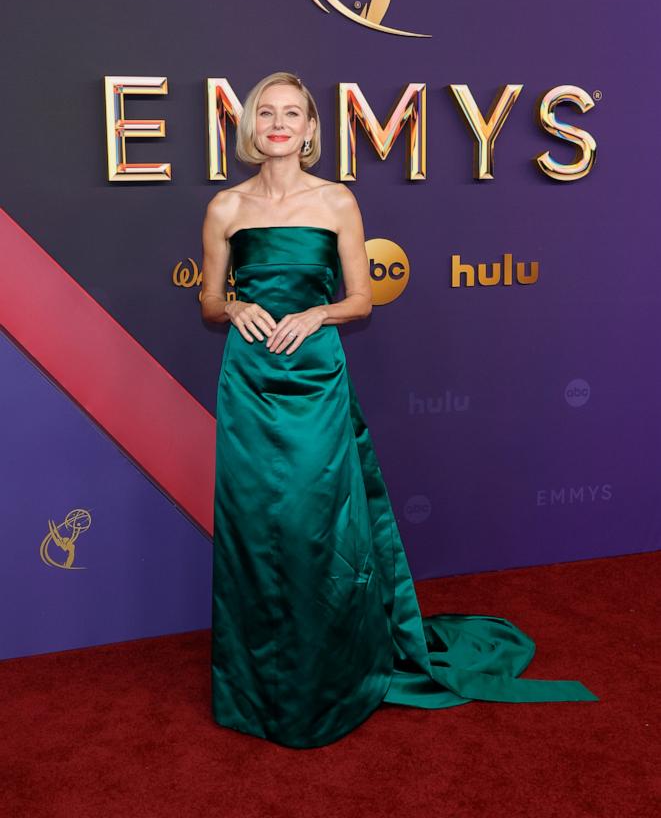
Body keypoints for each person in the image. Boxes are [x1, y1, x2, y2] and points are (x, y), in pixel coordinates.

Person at [200, 71, 598, 750]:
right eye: (266, 112)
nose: (277, 123)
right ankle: (256, 682)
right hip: (249, 381)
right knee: (252, 527)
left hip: (316, 378)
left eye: (291, 113)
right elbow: (209, 301)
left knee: (315, 523)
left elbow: (361, 299)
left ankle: (330, 673)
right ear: (249, 127)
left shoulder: (336, 201)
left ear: (308, 129)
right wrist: (234, 305)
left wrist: (316, 311)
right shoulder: (225, 208)